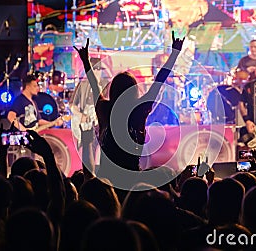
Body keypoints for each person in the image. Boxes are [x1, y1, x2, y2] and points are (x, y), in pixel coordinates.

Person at [73, 32, 184, 187]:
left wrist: (85, 61)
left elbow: (94, 84)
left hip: (106, 181)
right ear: (134, 90)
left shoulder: (105, 110)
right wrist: (174, 54)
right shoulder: (139, 111)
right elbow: (159, 80)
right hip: (131, 180)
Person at [70, 57, 108, 179]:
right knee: (88, 148)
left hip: (101, 121)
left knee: (102, 149)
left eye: (99, 69)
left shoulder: (106, 84)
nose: (97, 72)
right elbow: (72, 105)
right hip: (86, 122)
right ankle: (89, 177)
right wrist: (81, 116)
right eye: (94, 69)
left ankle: (100, 176)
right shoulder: (82, 85)